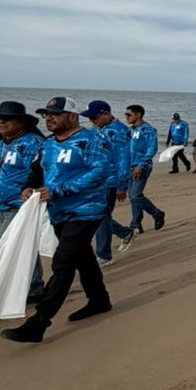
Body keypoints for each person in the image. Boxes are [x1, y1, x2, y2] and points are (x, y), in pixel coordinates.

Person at [1, 97, 111, 344]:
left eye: (55, 114)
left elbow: (100, 171)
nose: (49, 118)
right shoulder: (48, 144)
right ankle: (99, 300)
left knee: (63, 264)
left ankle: (37, 324)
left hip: (86, 211)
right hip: (58, 212)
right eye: (46, 114)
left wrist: (60, 190)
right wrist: (27, 187)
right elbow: (38, 170)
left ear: (72, 116)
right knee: (83, 258)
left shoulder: (92, 140)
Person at [0, 99, 46, 304]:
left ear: (22, 122)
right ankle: (35, 287)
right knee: (23, 245)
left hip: (18, 205)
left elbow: (41, 172)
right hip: (1, 203)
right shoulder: (2, 142)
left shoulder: (32, 144)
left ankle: (21, 289)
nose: (1, 122)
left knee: (8, 246)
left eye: (7, 118)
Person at [81, 100, 131, 267]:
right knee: (100, 215)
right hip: (95, 179)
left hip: (110, 181)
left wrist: (122, 186)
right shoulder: (97, 129)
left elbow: (123, 160)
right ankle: (125, 232)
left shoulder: (118, 132)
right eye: (89, 118)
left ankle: (104, 255)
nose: (91, 121)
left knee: (100, 216)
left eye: (94, 117)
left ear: (106, 113)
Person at [117, 103, 164, 250]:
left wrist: (141, 165)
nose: (126, 117)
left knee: (135, 195)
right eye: (125, 114)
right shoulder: (130, 130)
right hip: (129, 167)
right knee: (132, 197)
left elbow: (152, 149)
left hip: (141, 167)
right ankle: (136, 224)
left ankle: (157, 214)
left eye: (129, 114)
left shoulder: (147, 130)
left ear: (138, 115)